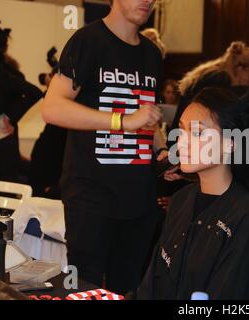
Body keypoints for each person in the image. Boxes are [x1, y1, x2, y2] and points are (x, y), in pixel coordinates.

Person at [42, 0, 163, 294]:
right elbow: (52, 108)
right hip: (91, 196)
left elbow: (146, 118)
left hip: (140, 199)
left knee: (129, 289)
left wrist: (164, 153)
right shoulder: (88, 40)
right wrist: (122, 121)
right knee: (84, 288)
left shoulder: (151, 53)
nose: (148, 0)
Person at [135, 88, 249, 300]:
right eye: (181, 131)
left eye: (197, 133)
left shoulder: (245, 216)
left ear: (230, 143)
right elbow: (152, 284)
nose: (181, 143)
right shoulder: (181, 200)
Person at [0, 19, 43, 182]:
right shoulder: (6, 71)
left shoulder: (4, 72)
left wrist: (8, 117)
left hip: (3, 143)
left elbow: (34, 92)